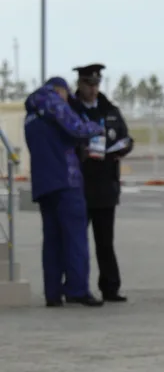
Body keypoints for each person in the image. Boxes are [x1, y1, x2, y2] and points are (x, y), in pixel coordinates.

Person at [23, 77, 105, 307]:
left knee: (52, 240)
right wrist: (97, 128)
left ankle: (52, 293)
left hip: (43, 183)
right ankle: (77, 290)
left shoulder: (31, 114)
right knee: (75, 237)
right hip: (66, 181)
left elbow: (54, 139)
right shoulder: (53, 101)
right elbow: (77, 128)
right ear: (62, 90)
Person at [69, 64, 133, 302]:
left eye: (96, 84)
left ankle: (110, 287)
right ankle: (75, 286)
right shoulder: (70, 111)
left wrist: (124, 147)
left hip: (106, 184)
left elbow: (125, 137)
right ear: (80, 84)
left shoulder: (110, 110)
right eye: (88, 84)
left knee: (105, 242)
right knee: (76, 241)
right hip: (79, 184)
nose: (93, 89)